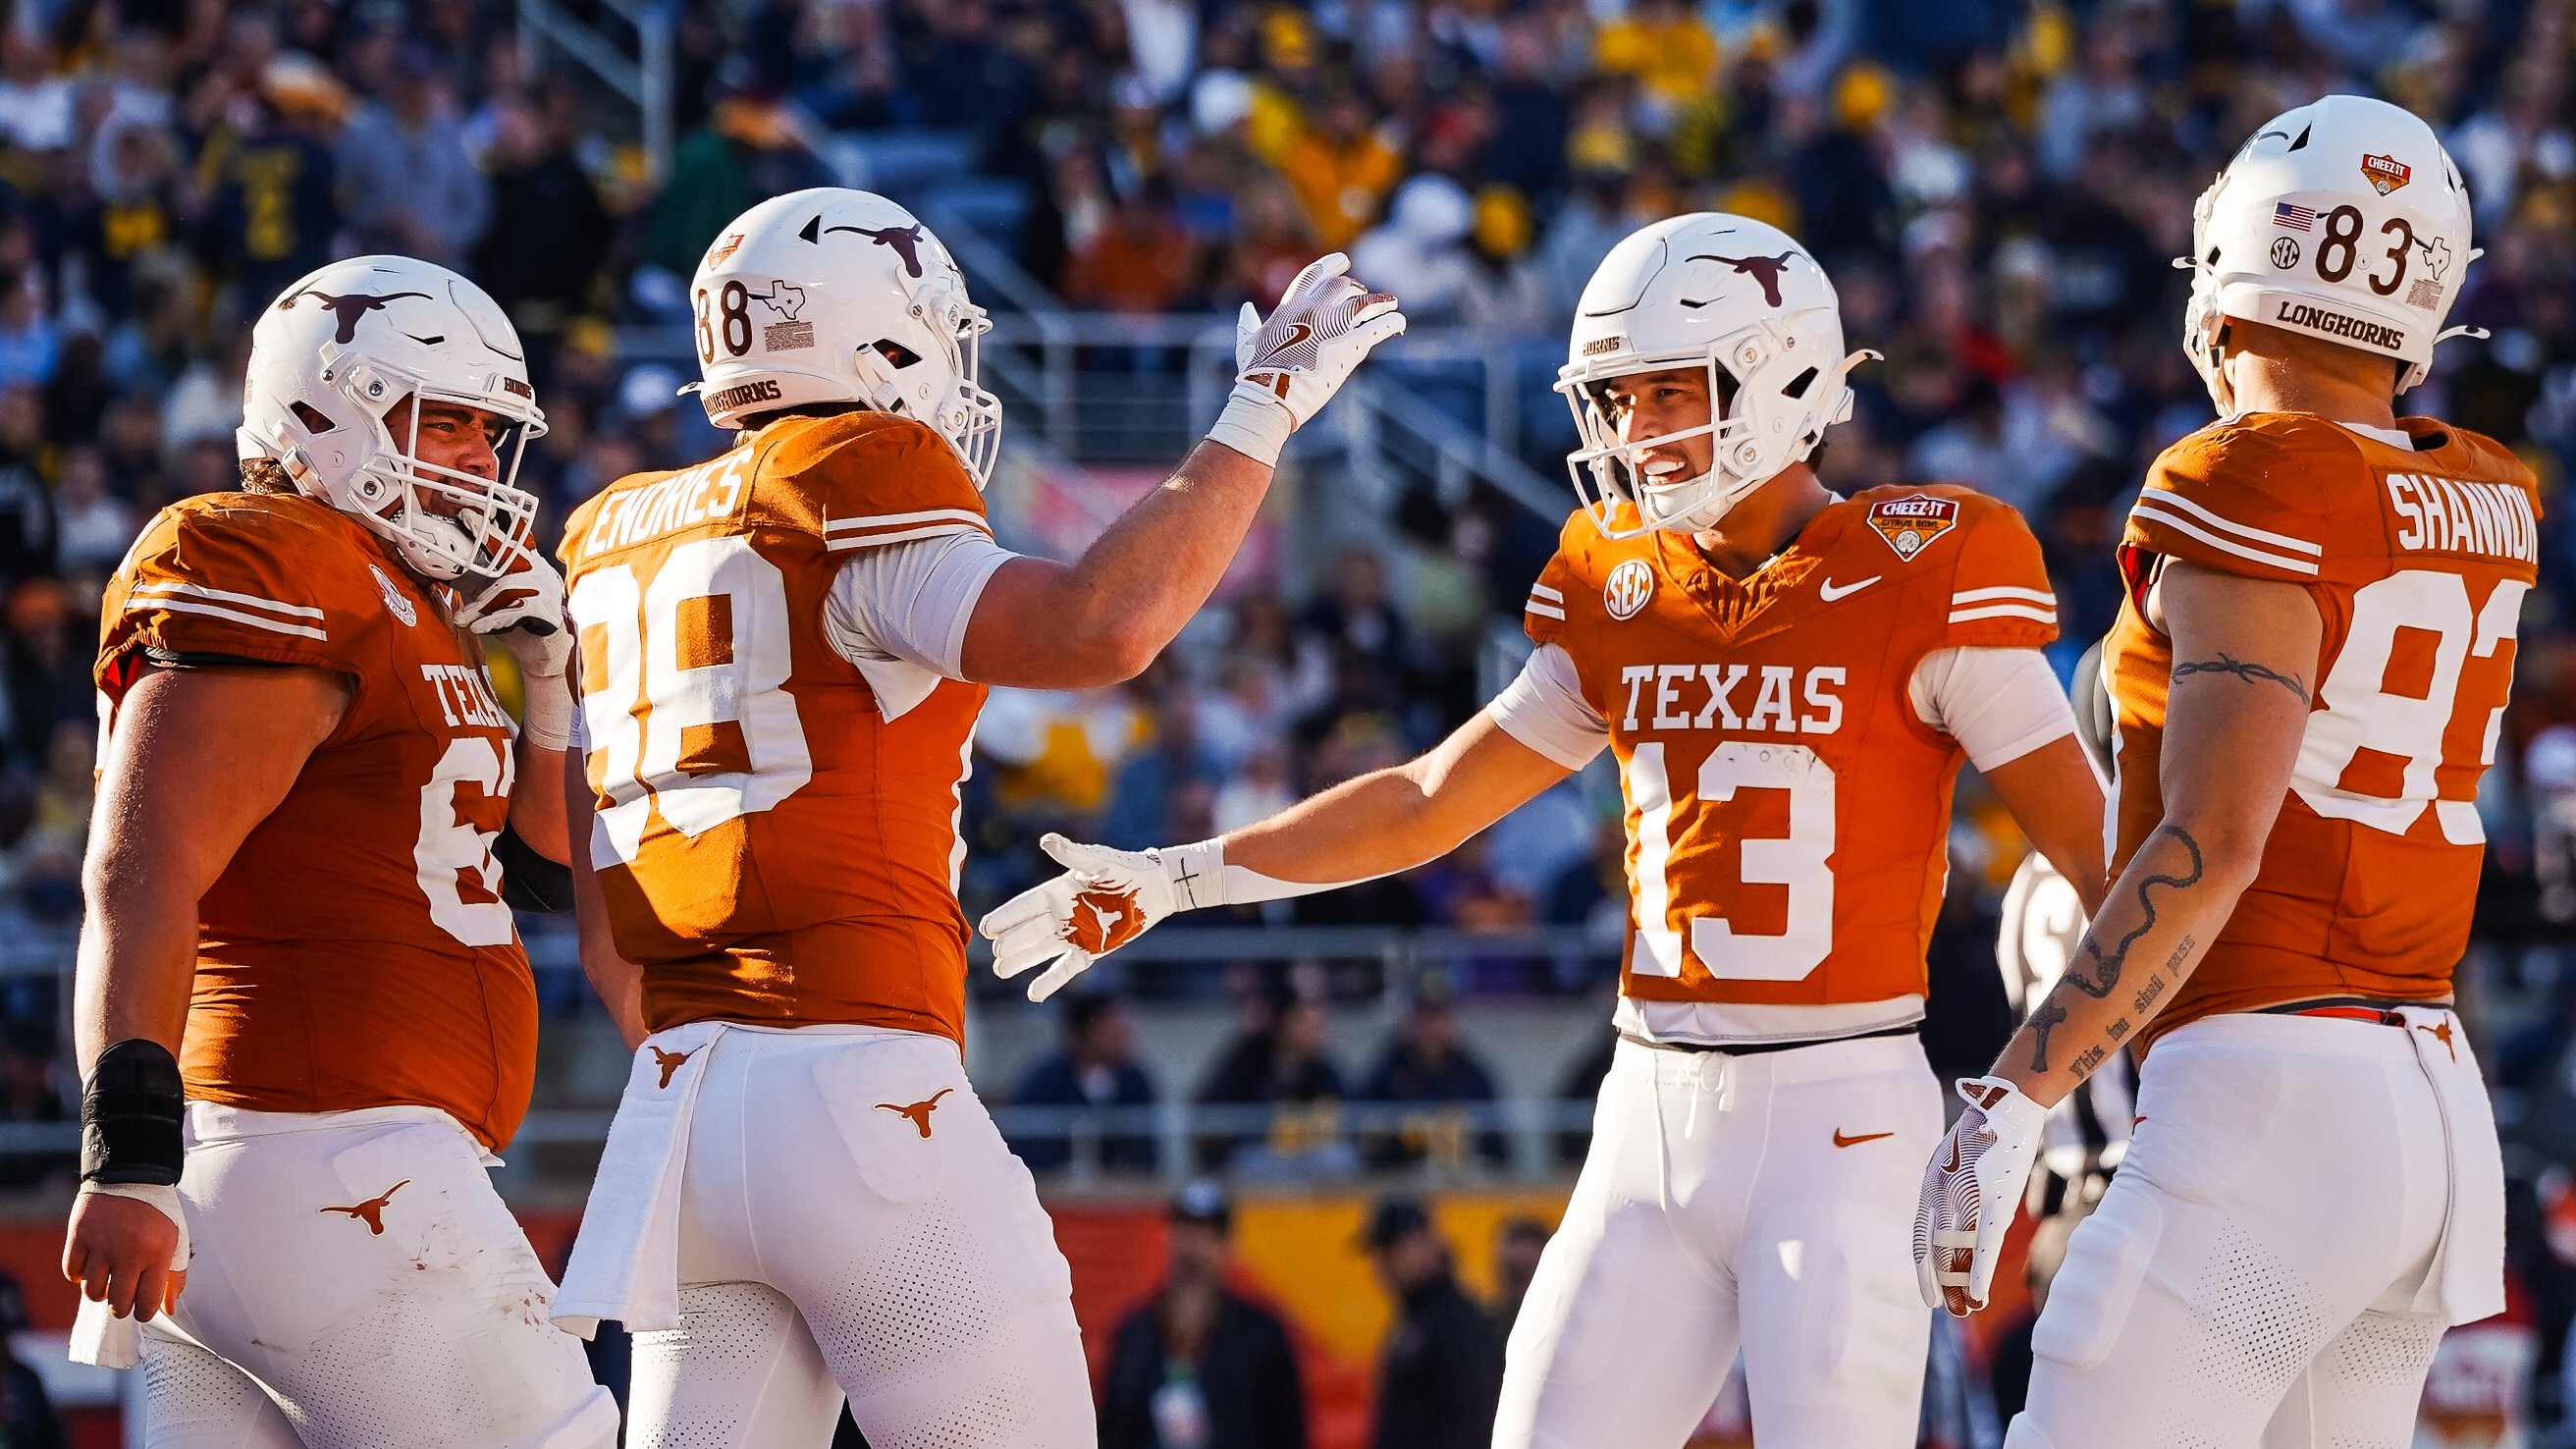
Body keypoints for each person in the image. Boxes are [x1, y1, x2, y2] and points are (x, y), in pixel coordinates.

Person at [983, 213, 2109, 1447]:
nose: (1635, 434)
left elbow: (2106, 862)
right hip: (1644, 1104)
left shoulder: (1926, 565)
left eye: (1668, 393)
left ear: (1786, 372)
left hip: (1841, 1113)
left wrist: (2031, 1093)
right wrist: (1173, 879)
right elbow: (1426, 799)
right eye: (1617, 402)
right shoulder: (1619, 577)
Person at [549, 188, 1402, 1448]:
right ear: (878, 347)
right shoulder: (853, 471)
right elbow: (1096, 627)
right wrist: (1259, 410)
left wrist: (693, 1044)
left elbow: (594, 861)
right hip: (855, 1085)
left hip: (677, 1104)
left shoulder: (608, 533)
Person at [1912, 96, 2531, 1449]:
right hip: (2424, 1093)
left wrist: (2018, 1089)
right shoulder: (2486, 490)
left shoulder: (2246, 480)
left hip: (2272, 1097)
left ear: (2234, 268)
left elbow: (2211, 844)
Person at [61, 255, 614, 1445]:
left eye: (489, 431)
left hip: (323, 1166)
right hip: (328, 1155)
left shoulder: (399, 598)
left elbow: (542, 876)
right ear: (332, 407)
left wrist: (555, 686)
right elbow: (142, 867)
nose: (477, 460)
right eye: (449, 421)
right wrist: (127, 1154)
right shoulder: (271, 556)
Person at [1099, 1180, 1306, 1449]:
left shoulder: (1262, 1336)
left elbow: (1286, 1433)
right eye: (1183, 1231)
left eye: (1205, 1233)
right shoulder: (1136, 1331)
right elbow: (1114, 1427)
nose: (1192, 1247)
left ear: (1226, 1246)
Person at [1362, 1197, 1502, 1449]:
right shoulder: (1418, 1317)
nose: (1381, 1264)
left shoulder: (1456, 1322)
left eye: (1391, 1250)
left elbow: (1471, 1421)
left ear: (1423, 1242)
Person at [1010, 993, 1159, 1174]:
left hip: (1119, 1191)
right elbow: (1028, 1145)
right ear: (1084, 1031)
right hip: (1054, 1189)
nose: (1122, 1037)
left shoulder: (1136, 1080)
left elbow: (1146, 1150)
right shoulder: (1044, 1080)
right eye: (1111, 1031)